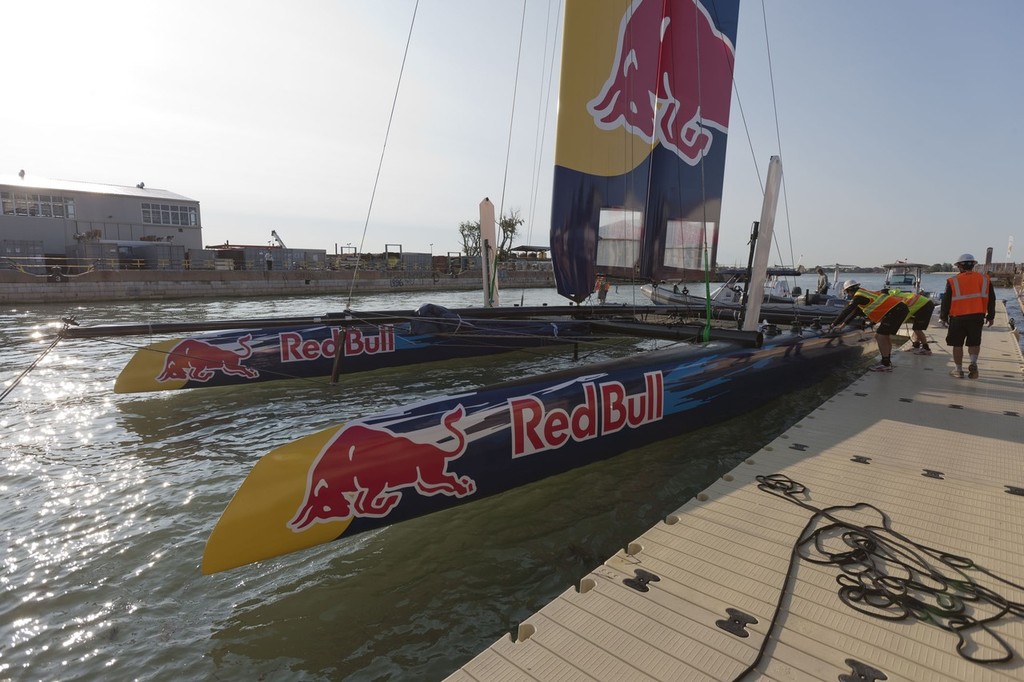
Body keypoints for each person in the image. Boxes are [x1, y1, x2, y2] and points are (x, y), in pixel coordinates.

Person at [829, 279, 909, 372]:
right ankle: (886, 362)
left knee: (880, 336)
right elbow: (854, 313)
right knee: (883, 336)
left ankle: (885, 364)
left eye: (847, 292)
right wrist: (841, 326)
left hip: (895, 311)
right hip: (899, 310)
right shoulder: (863, 293)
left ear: (849, 290)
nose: (848, 294)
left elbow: (847, 311)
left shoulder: (858, 297)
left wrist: (833, 324)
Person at [939, 253, 996, 379]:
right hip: (977, 316)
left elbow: (946, 301)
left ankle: (958, 370)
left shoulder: (953, 281)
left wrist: (943, 317)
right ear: (973, 265)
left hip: (958, 317)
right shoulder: (985, 279)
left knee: (957, 344)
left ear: (959, 266)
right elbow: (992, 299)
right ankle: (973, 363)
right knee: (974, 342)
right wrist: (991, 316)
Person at [891, 290, 937, 355]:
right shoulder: (897, 295)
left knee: (917, 329)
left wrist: (899, 321)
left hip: (925, 306)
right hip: (922, 305)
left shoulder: (897, 299)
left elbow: (907, 312)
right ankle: (916, 346)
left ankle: (926, 348)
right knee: (916, 327)